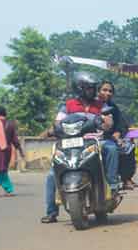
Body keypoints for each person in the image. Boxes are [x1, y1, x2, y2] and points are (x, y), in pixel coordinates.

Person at [41, 72, 112, 223]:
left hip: (93, 142)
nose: (93, 91)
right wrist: (52, 130)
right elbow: (58, 122)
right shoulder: (68, 105)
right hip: (70, 143)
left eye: (93, 88)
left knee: (102, 166)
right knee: (52, 175)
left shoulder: (101, 105)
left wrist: (106, 123)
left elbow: (108, 121)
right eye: (89, 88)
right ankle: (51, 212)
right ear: (80, 89)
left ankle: (106, 197)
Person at [97, 80, 134, 190]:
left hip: (108, 138)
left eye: (110, 91)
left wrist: (118, 133)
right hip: (88, 138)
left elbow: (120, 124)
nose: (107, 93)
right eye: (104, 90)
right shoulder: (90, 104)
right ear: (97, 91)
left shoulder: (113, 107)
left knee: (128, 147)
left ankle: (124, 179)